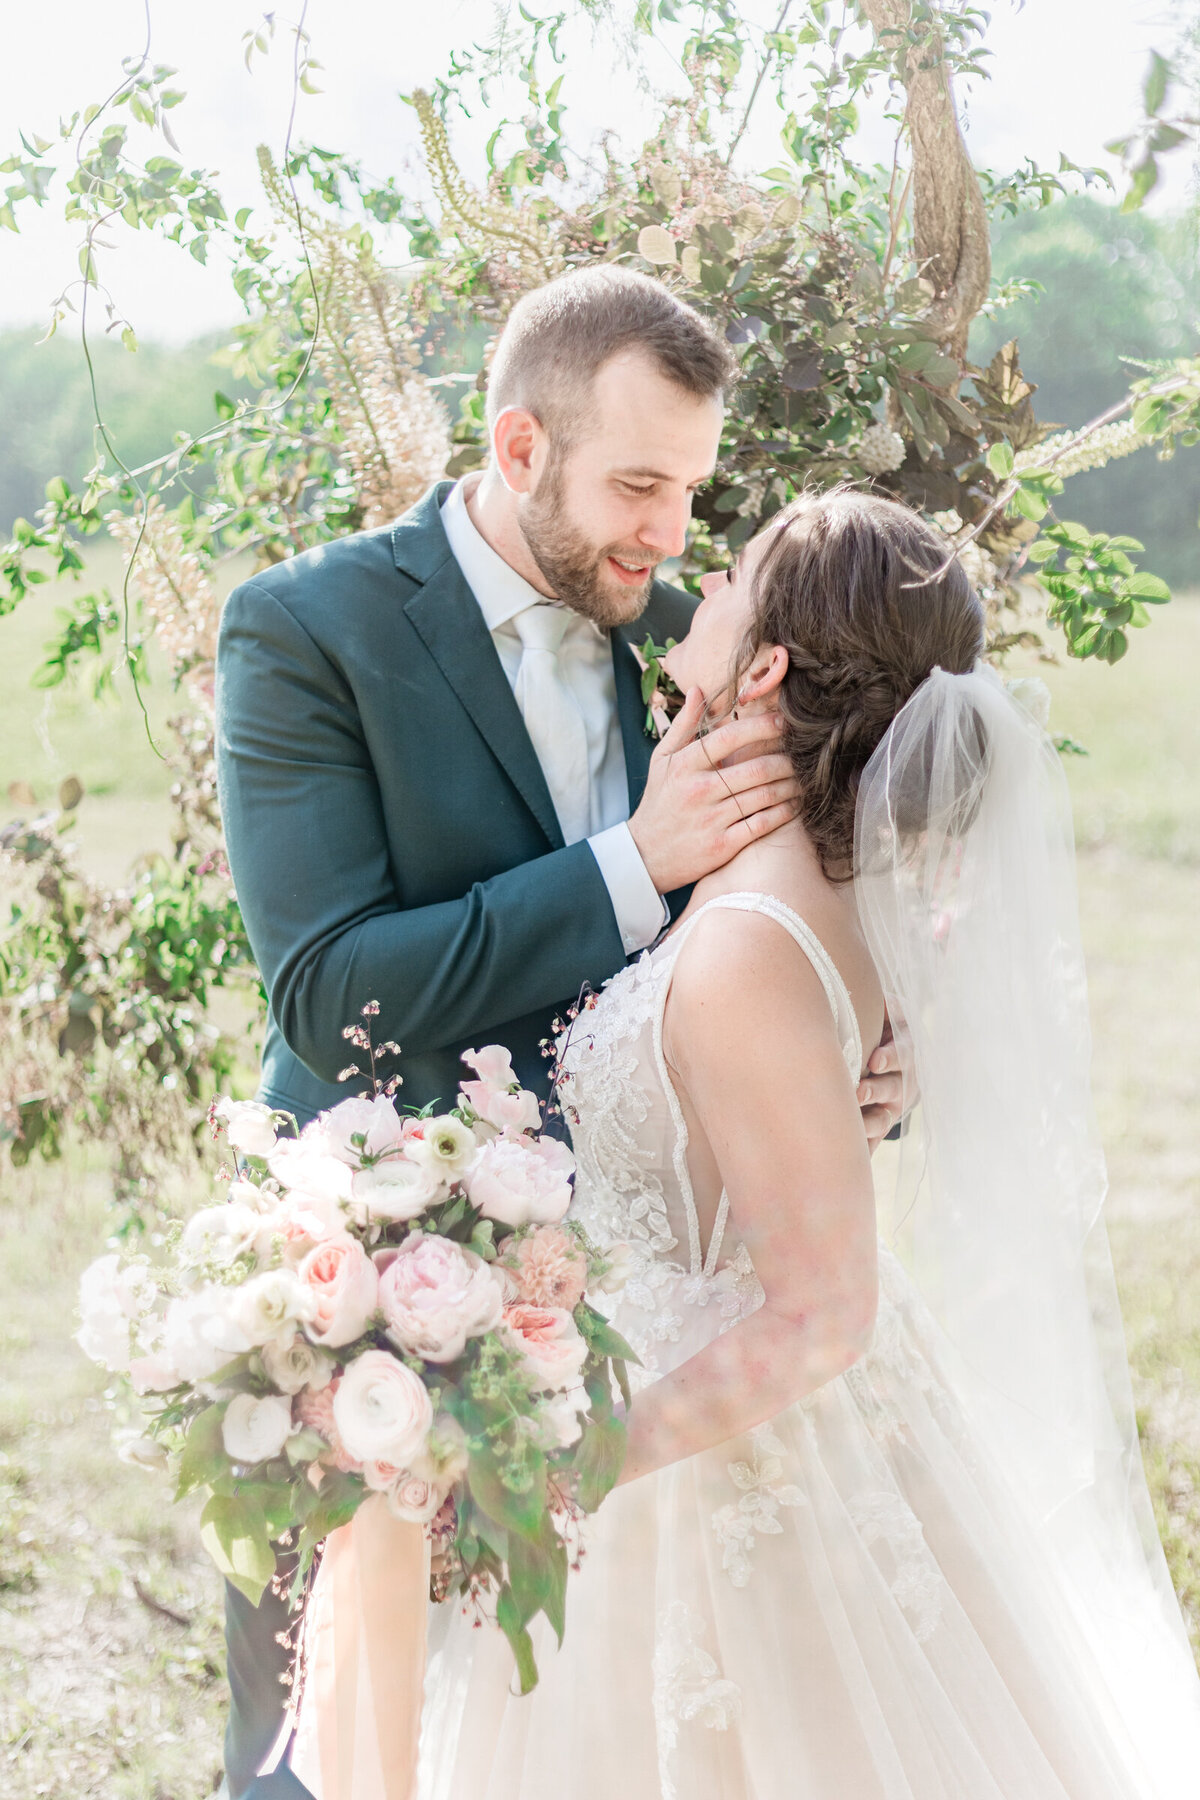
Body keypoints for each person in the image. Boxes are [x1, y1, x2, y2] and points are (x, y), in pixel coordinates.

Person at [319, 487, 1199, 1800]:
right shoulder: (798, 884)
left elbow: (824, 1314)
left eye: (729, 575)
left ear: (771, 663)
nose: (698, 582)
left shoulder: (743, 948)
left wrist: (570, 1469)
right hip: (723, 1399)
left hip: (719, 1458)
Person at [215, 270, 906, 1799]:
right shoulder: (304, 630)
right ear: (520, 447)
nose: (672, 536)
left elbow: (771, 943)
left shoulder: (683, 636)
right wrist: (629, 865)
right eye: (640, 486)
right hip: (386, 1291)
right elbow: (329, 989)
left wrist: (862, 1062)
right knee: (324, 1745)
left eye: (692, 492)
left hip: (632, 1325)